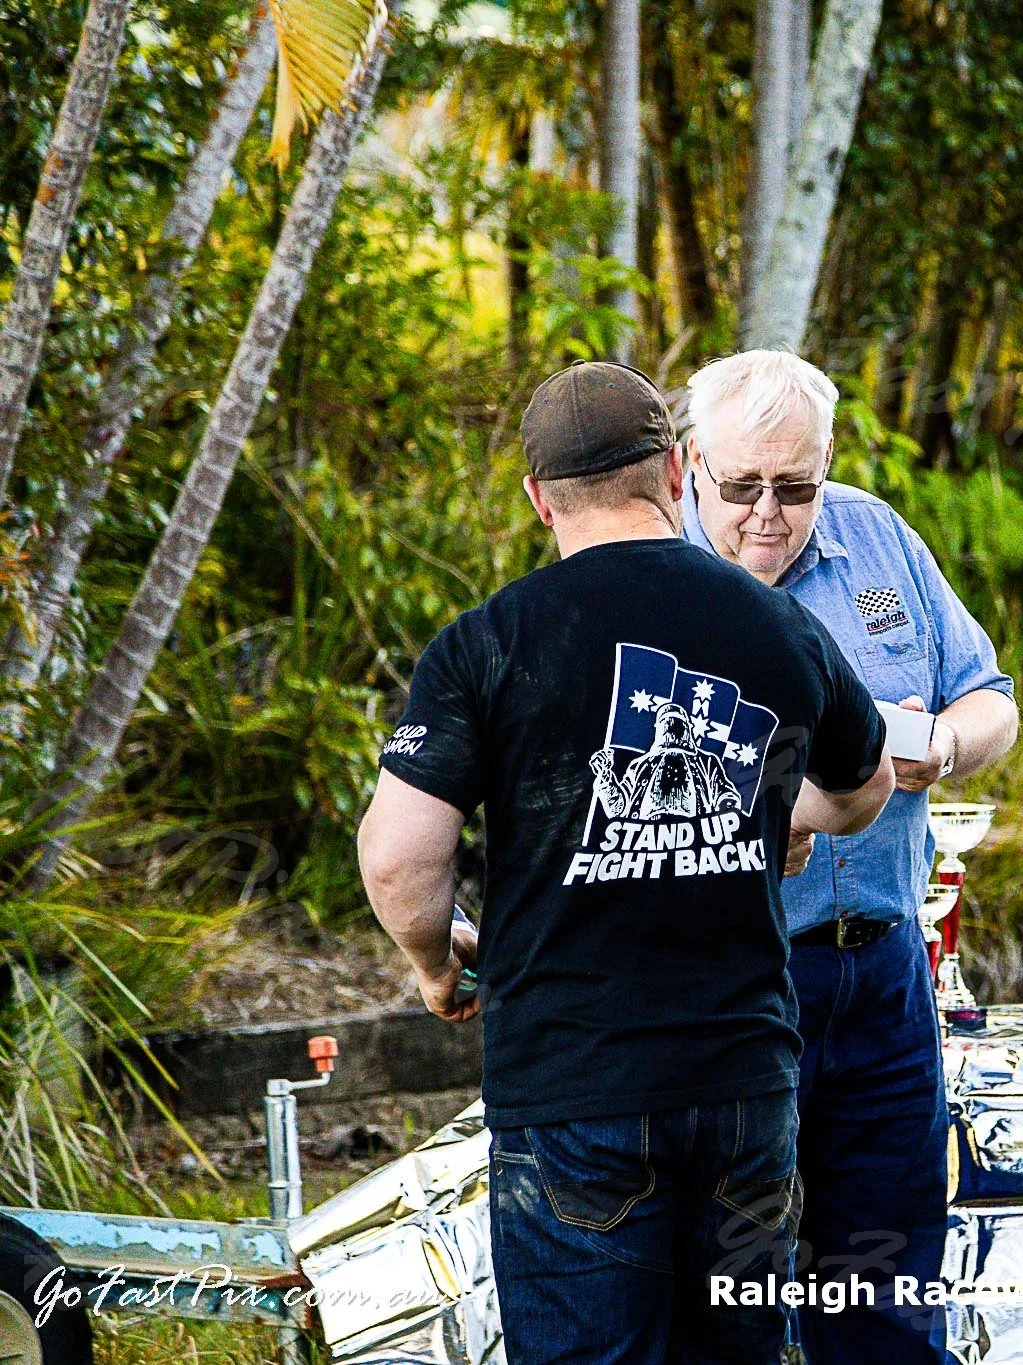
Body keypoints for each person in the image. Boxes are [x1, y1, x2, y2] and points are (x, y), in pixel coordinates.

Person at [356, 360, 896, 1365]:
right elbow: (866, 788)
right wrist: (767, 813)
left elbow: (398, 859)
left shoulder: (489, 642)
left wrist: (436, 962)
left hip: (575, 1086)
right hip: (742, 1085)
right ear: (677, 472)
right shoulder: (776, 623)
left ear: (538, 499)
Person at [678, 350, 1018, 1364]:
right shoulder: (653, 578)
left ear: (826, 464)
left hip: (882, 971)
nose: (768, 515)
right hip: (731, 982)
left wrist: (941, 745)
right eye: (742, 486)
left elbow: (991, 696)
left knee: (886, 1292)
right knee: (728, 1297)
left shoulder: (875, 538)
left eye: (795, 486)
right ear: (691, 465)